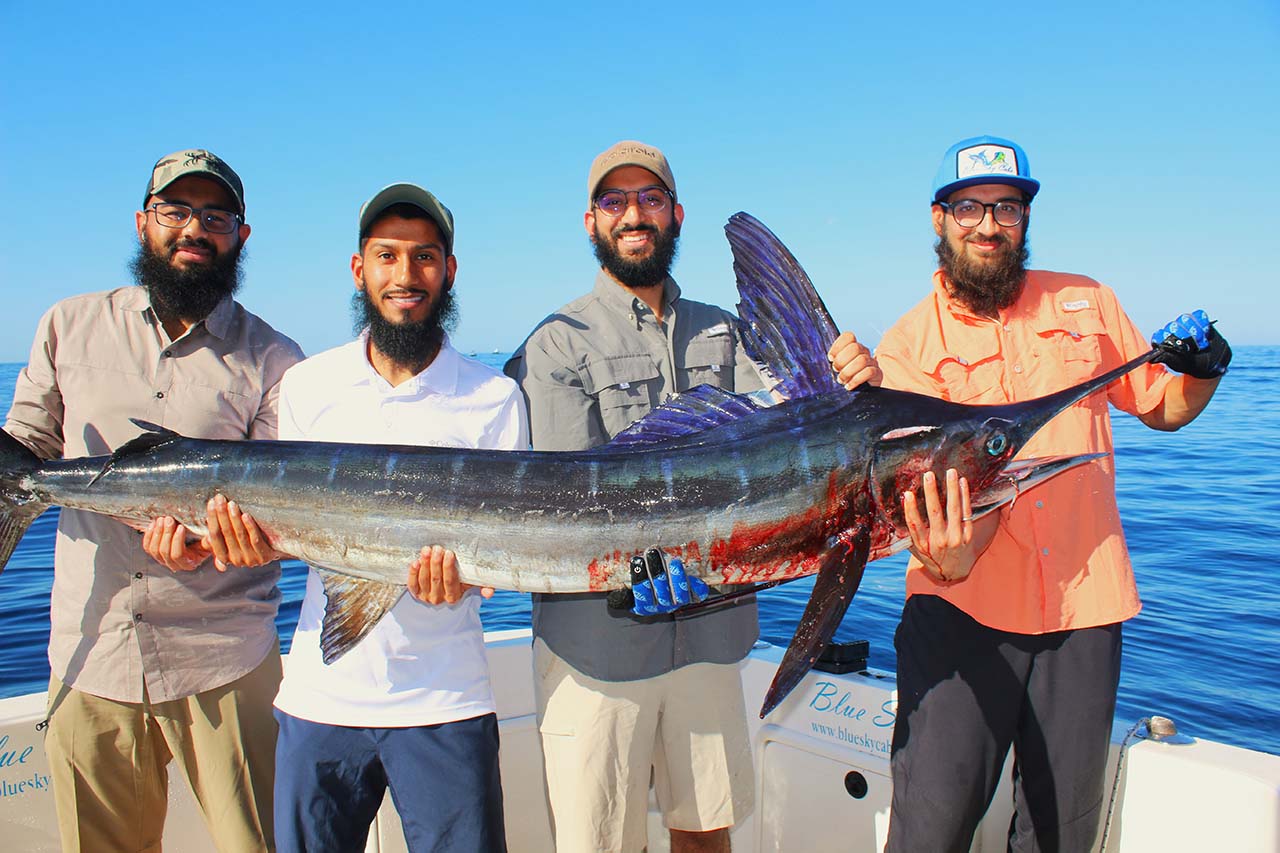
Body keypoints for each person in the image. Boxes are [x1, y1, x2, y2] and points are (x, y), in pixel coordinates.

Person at [829, 134, 1230, 852]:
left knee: (1056, 838)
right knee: (930, 829)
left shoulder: (1089, 302)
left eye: (1007, 208)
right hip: (959, 612)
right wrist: (951, 558)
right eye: (970, 207)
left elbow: (1163, 407)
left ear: (1025, 217)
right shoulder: (906, 350)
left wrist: (1203, 371)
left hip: (1085, 611)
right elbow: (922, 528)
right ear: (938, 218)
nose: (988, 225)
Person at [506, 140, 877, 853]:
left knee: (707, 837)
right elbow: (567, 507)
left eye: (649, 199)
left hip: (710, 639)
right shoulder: (554, 345)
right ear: (591, 222)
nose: (633, 215)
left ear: (676, 215)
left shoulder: (725, 331)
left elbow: (798, 428)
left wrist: (850, 380)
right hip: (597, 651)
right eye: (614, 202)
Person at [4, 149, 304, 852]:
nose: (193, 229)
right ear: (144, 223)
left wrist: (213, 545)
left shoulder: (275, 356)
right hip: (93, 654)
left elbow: (272, 509)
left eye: (215, 215)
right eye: (175, 212)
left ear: (241, 234)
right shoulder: (67, 325)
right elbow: (24, 447)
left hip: (225, 659)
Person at [265, 183, 526, 852]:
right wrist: (238, 540)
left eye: (424, 257)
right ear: (359, 268)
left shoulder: (496, 396)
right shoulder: (306, 386)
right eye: (387, 256)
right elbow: (285, 530)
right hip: (321, 699)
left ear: (450, 269)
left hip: (447, 702)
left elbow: (504, 552)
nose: (405, 276)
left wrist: (464, 579)